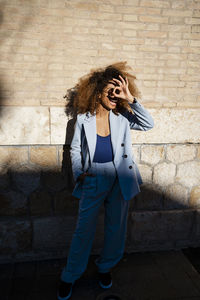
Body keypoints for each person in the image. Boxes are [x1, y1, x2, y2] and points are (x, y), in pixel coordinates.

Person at [57, 61, 154, 300]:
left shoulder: (122, 117)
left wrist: (130, 98)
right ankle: (70, 275)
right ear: (97, 91)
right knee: (83, 230)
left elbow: (148, 124)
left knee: (115, 229)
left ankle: (105, 267)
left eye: (118, 90)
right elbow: (75, 149)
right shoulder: (83, 119)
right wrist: (79, 173)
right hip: (93, 177)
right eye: (110, 90)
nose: (114, 95)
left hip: (119, 177)